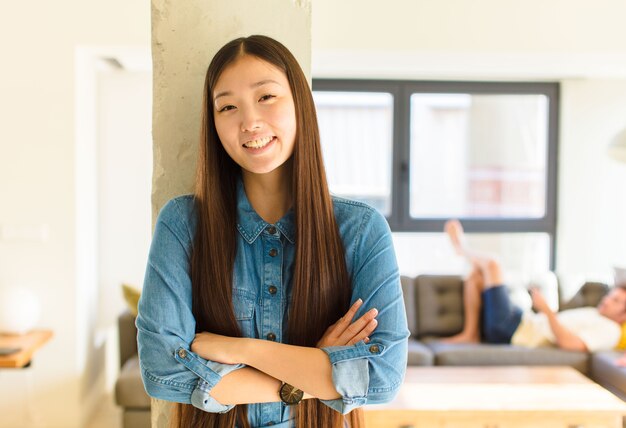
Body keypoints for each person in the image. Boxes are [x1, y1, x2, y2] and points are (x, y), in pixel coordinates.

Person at [136, 35, 409, 428]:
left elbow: (382, 377)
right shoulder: (182, 224)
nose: (249, 122)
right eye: (227, 106)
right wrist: (314, 369)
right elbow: (162, 371)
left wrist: (243, 350)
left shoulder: (362, 230)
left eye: (266, 97)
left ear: (300, 102)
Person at [441, 220, 626, 352]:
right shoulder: (595, 313)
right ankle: (470, 334)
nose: (607, 300)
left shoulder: (610, 330)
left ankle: (461, 249)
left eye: (616, 301)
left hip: (512, 331)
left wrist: (545, 309)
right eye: (611, 295)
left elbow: (572, 344)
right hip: (521, 322)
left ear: (623, 314)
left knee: (493, 264)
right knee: (476, 276)